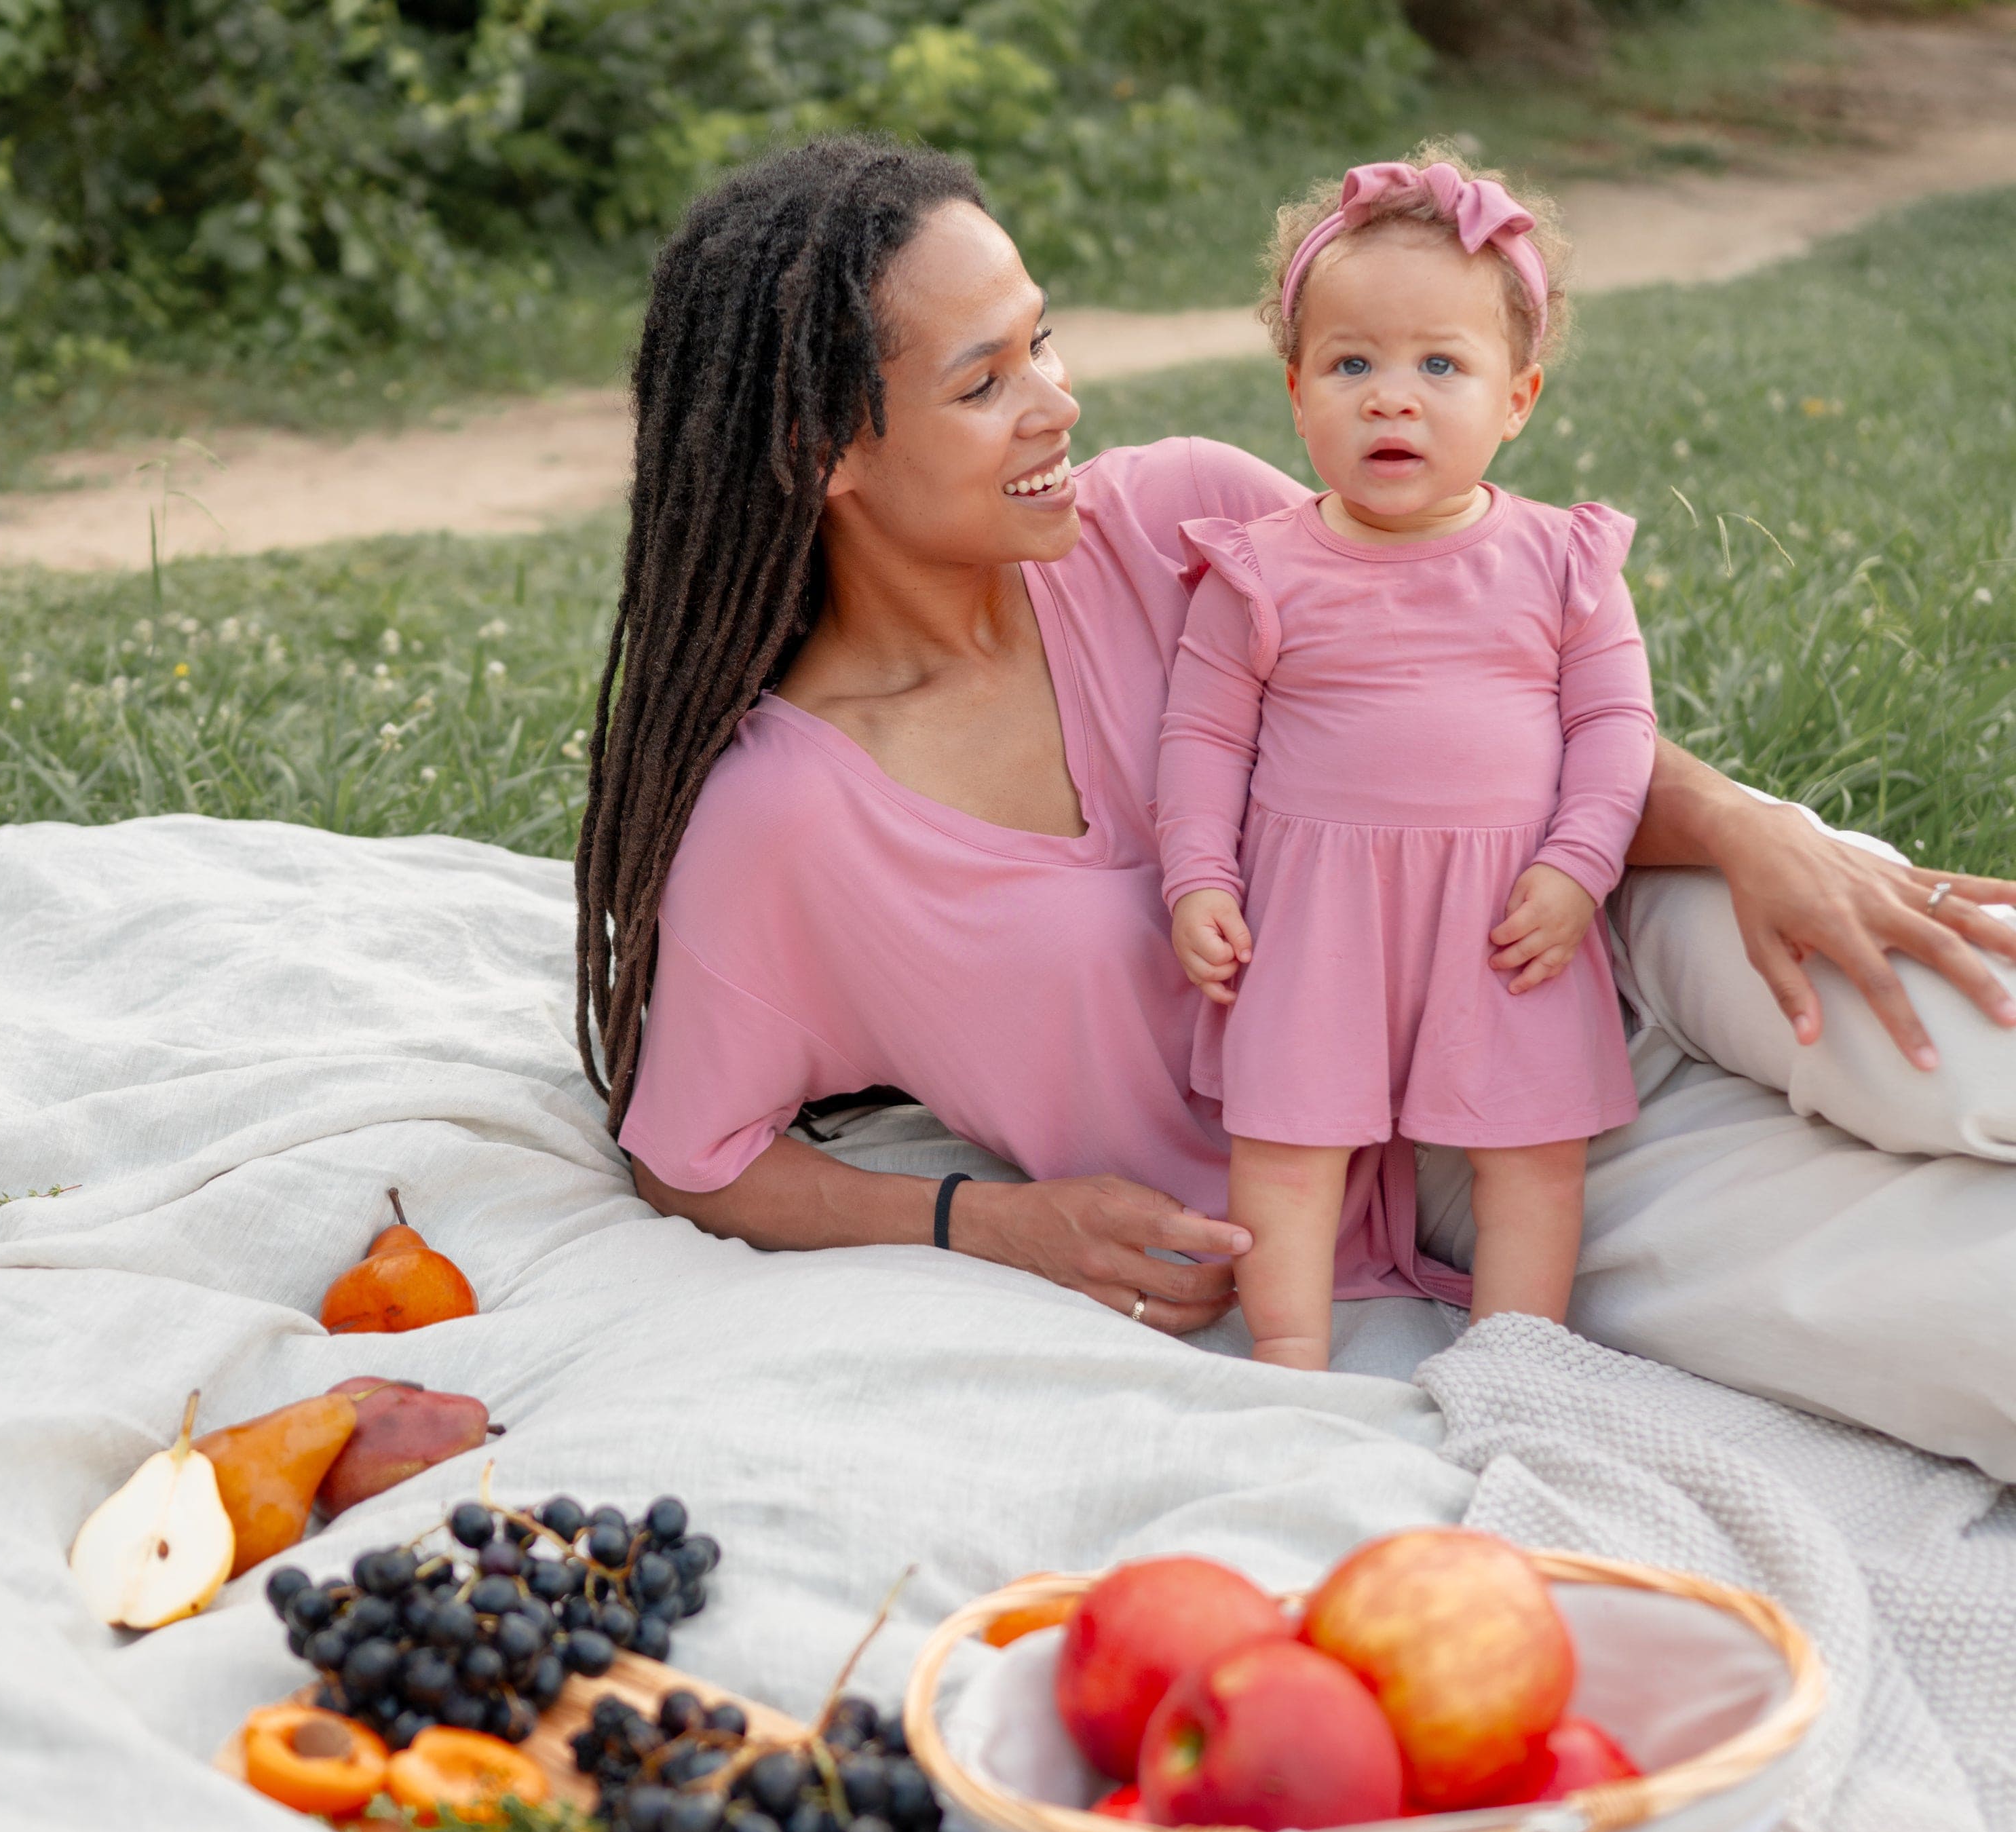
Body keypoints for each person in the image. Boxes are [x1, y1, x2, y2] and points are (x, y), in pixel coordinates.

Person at [571, 136, 2016, 1468]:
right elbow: (695, 1160)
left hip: (1581, 935)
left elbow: (1481, 671)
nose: (1059, 403)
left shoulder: (1175, 517)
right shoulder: (786, 822)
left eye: (1045, 339)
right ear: (826, 454)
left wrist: (1752, 830)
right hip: (1452, 1174)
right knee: (1952, 1321)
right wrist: (990, 1224)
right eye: (983, 382)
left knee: (1953, 1014)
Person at [1158, 152, 1654, 1365]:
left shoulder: (1562, 562)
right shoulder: (1259, 570)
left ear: (1518, 397)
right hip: (1315, 914)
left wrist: (1579, 864)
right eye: (1352, 364)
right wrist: (1199, 881)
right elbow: (1204, 736)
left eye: (1442, 365)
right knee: (1285, 1144)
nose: (1394, 398)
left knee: (1529, 1151)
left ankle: (1517, 1358)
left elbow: (1615, 726)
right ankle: (1288, 1363)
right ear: (1295, 394)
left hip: (1505, 910)